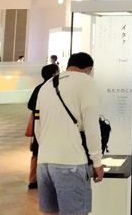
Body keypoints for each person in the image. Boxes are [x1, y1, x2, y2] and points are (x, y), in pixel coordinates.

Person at [35, 52, 104, 215]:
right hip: (71, 162)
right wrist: (97, 162)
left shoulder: (46, 85)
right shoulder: (86, 82)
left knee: (51, 212)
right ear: (88, 69)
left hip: (44, 164)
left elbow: (38, 126)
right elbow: (92, 127)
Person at [27, 63, 59, 189]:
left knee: (37, 151)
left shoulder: (38, 88)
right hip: (49, 124)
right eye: (57, 72)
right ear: (53, 74)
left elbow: (30, 105)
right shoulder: (54, 88)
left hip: (39, 123)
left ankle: (33, 179)